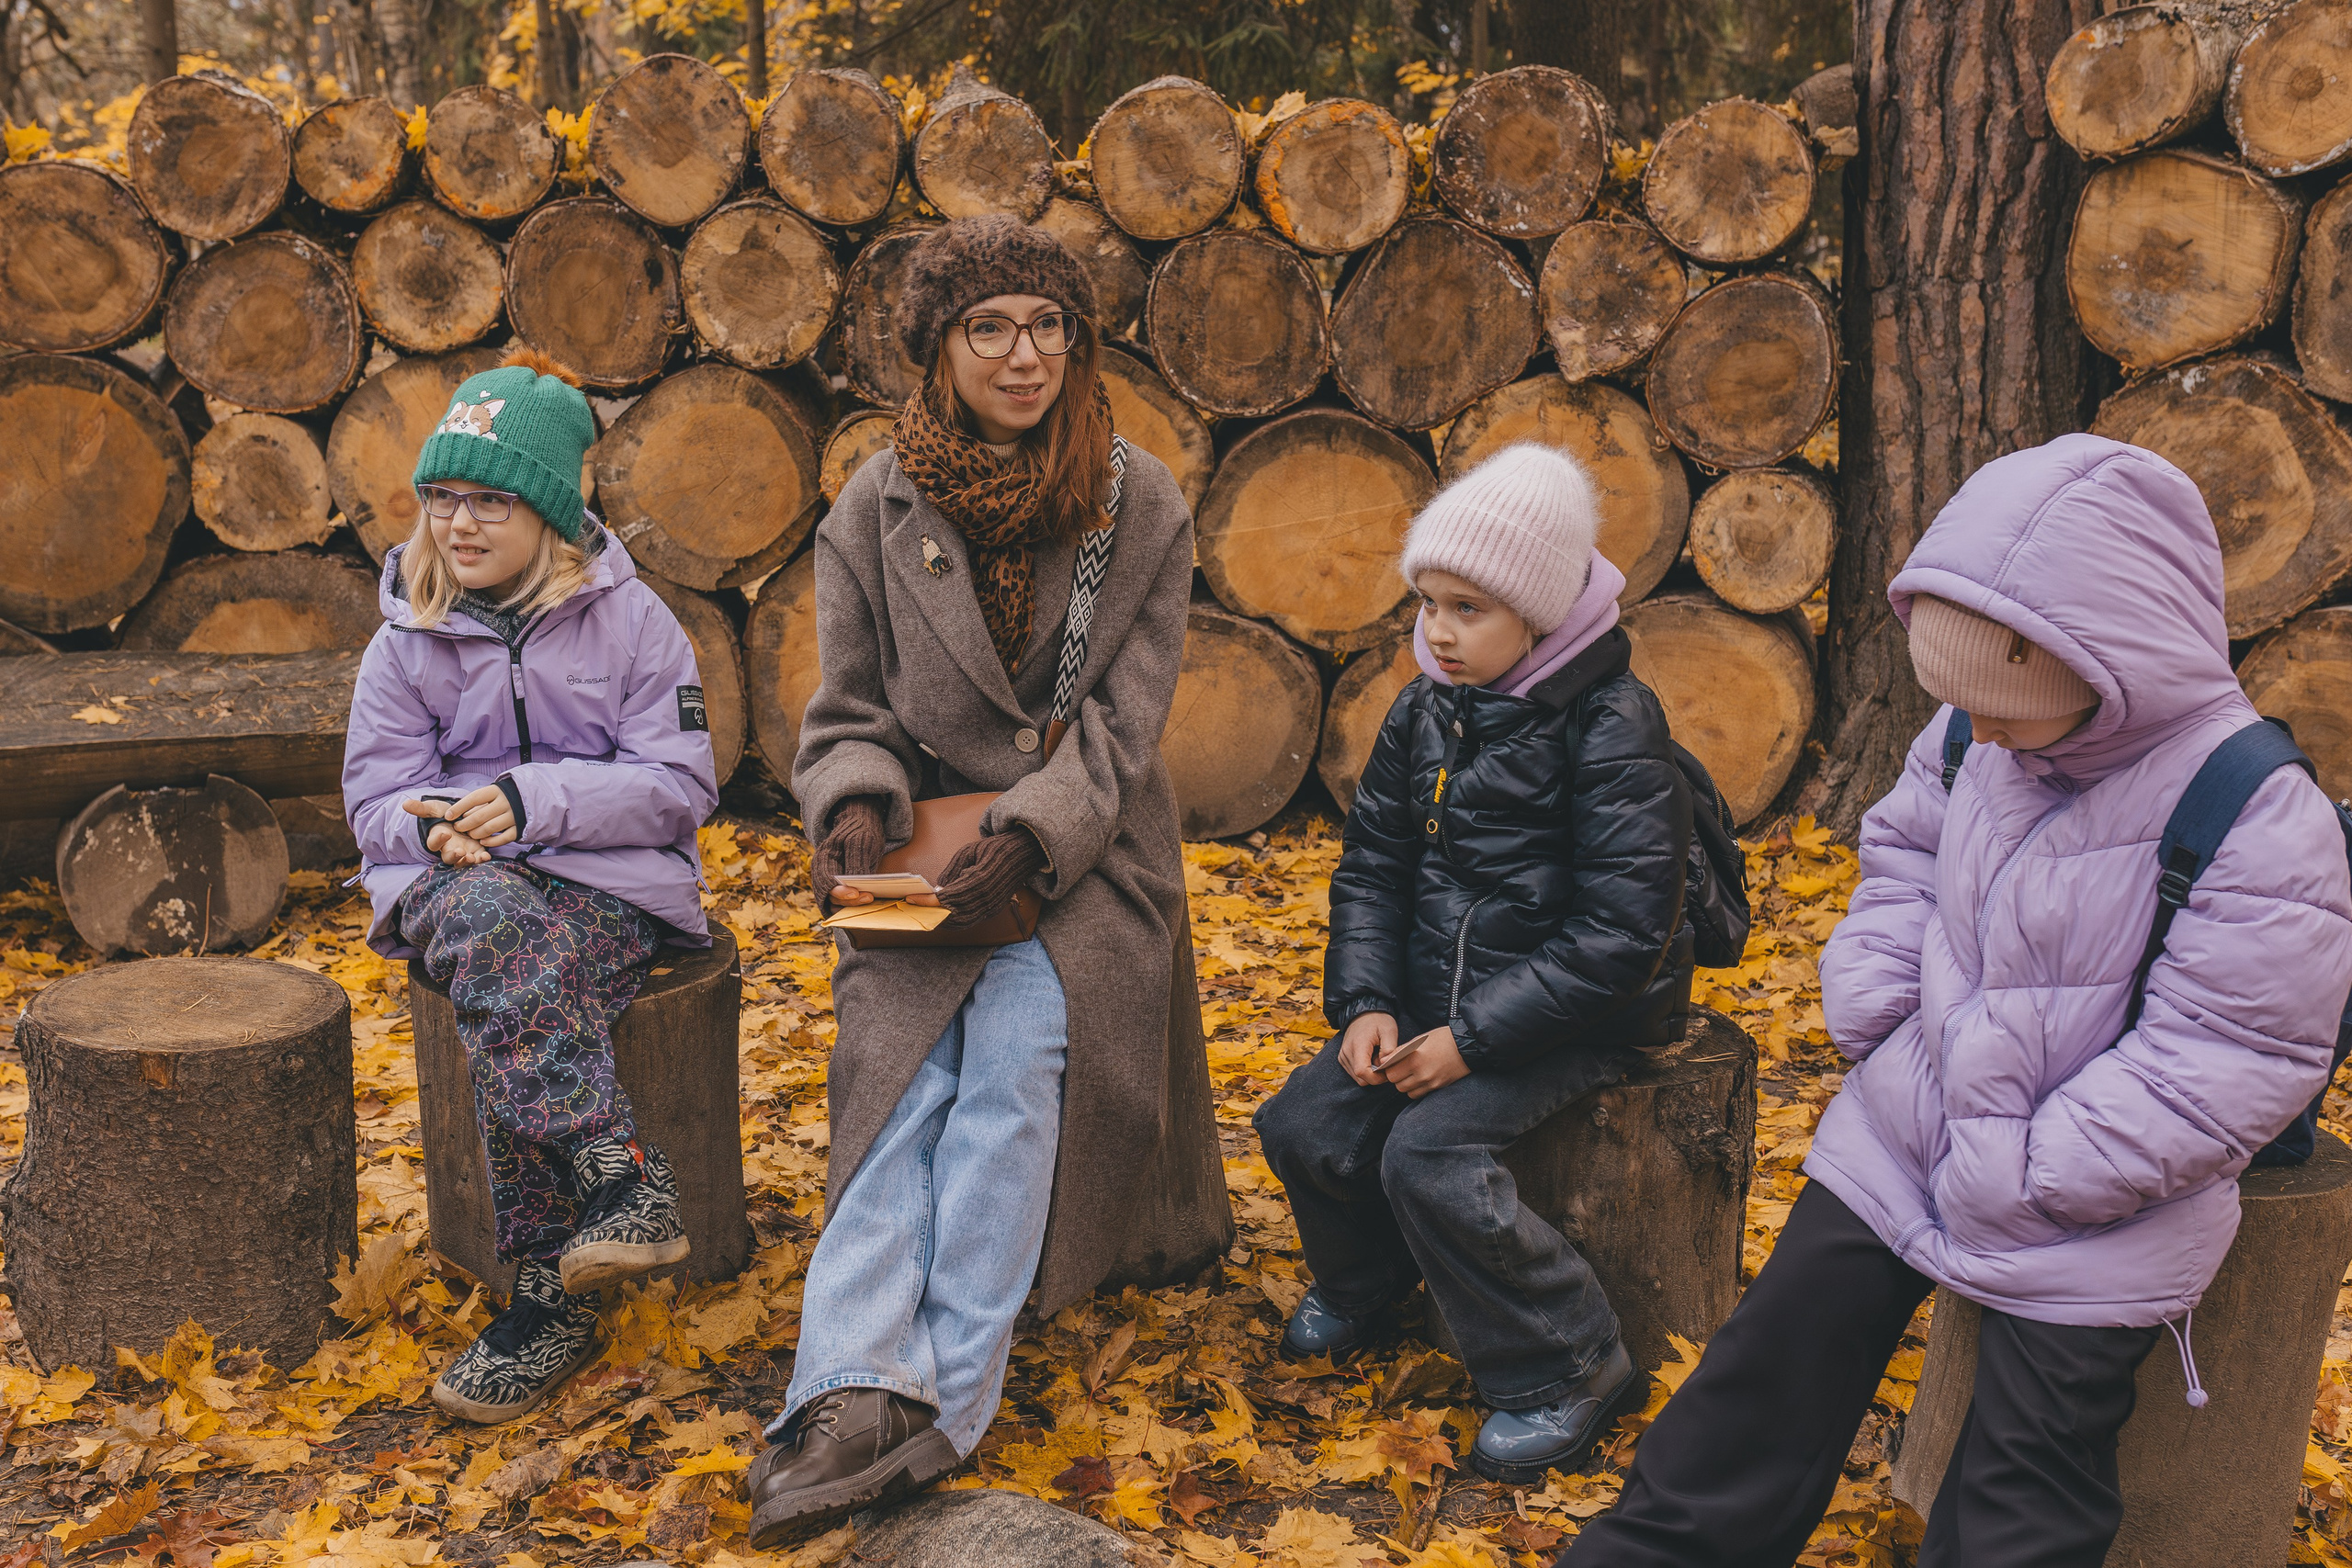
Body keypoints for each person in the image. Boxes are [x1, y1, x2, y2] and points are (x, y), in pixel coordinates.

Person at [1564, 434, 2352, 1566]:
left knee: (2022, 1491)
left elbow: (2232, 1055)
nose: (1978, 734)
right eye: (1961, 705)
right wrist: (1883, 1024)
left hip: (2094, 1194)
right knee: (1761, 1381)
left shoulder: (2258, 815)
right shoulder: (1973, 725)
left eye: (2005, 709)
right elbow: (1903, 861)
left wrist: (2034, 1171)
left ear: (2102, 660)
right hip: (1913, 1113)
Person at [746, 216, 1207, 1546]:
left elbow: (1124, 725)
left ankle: (938, 1397)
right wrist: (849, 807)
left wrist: (1039, 825)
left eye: (1049, 326)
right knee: (902, 1086)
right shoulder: (874, 503)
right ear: (938, 349)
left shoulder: (1143, 498)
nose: (1025, 356)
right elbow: (845, 712)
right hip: (925, 871)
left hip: (1089, 859)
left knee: (1012, 1067)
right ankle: (847, 1383)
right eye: (990, 328)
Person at [1252, 443, 1695, 1483]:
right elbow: (1376, 863)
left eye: (1468, 610)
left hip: (1575, 1016)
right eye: (1429, 603)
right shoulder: (1427, 707)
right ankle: (1372, 1282)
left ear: (1539, 617)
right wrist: (1366, 999)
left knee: (1430, 1155)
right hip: (1434, 1001)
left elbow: (1621, 934)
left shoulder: (1612, 726)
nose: (1437, 633)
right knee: (1303, 1122)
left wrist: (1471, 1039)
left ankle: (1569, 1360)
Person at [342, 346, 719, 1425]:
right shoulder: (403, 640)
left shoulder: (636, 625)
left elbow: (677, 784)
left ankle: (547, 1299)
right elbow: (373, 802)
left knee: (522, 989)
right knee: (500, 929)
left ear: (550, 513)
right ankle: (617, 1175)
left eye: (492, 501)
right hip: (455, 887)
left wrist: (533, 803)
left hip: (604, 888)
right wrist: (431, 825)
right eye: (443, 497)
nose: (460, 523)